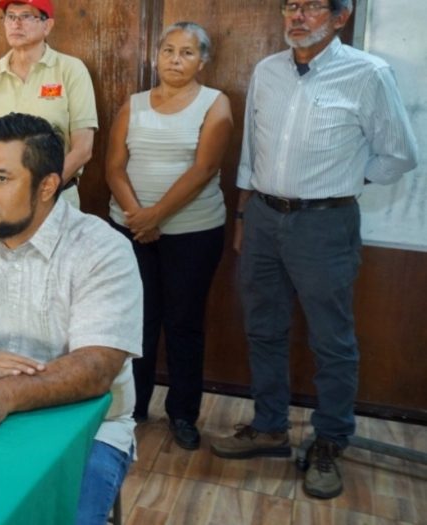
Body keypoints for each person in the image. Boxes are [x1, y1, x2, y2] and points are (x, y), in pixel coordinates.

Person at [211, 0, 418, 500]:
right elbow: (252, 150)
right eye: (291, 5)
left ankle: (329, 440)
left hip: (325, 224)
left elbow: (399, 154)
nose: (297, 16)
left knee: (332, 340)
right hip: (263, 217)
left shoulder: (368, 74)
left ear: (341, 17)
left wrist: (345, 179)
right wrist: (243, 215)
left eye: (312, 7)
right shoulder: (267, 70)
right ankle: (269, 426)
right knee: (263, 327)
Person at [0, 113, 141, 524]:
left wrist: (6, 393)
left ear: (47, 186)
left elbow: (97, 367)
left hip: (87, 426)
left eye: (1, 178)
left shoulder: (102, 249)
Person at [104, 22, 233, 450]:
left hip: (193, 233)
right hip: (130, 229)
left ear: (203, 61)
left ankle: (182, 413)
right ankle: (134, 406)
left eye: (187, 53)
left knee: (183, 323)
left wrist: (155, 216)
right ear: (155, 56)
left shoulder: (216, 104)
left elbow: (204, 169)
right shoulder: (134, 104)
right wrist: (137, 218)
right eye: (168, 51)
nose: (175, 60)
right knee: (136, 322)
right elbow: (114, 167)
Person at [0, 0, 97, 208]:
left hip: (56, 196)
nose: (16, 23)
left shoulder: (71, 69)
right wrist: (0, 190)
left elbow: (83, 149)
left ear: (47, 26)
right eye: (10, 16)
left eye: (26, 16)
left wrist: (42, 190)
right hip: (0, 199)